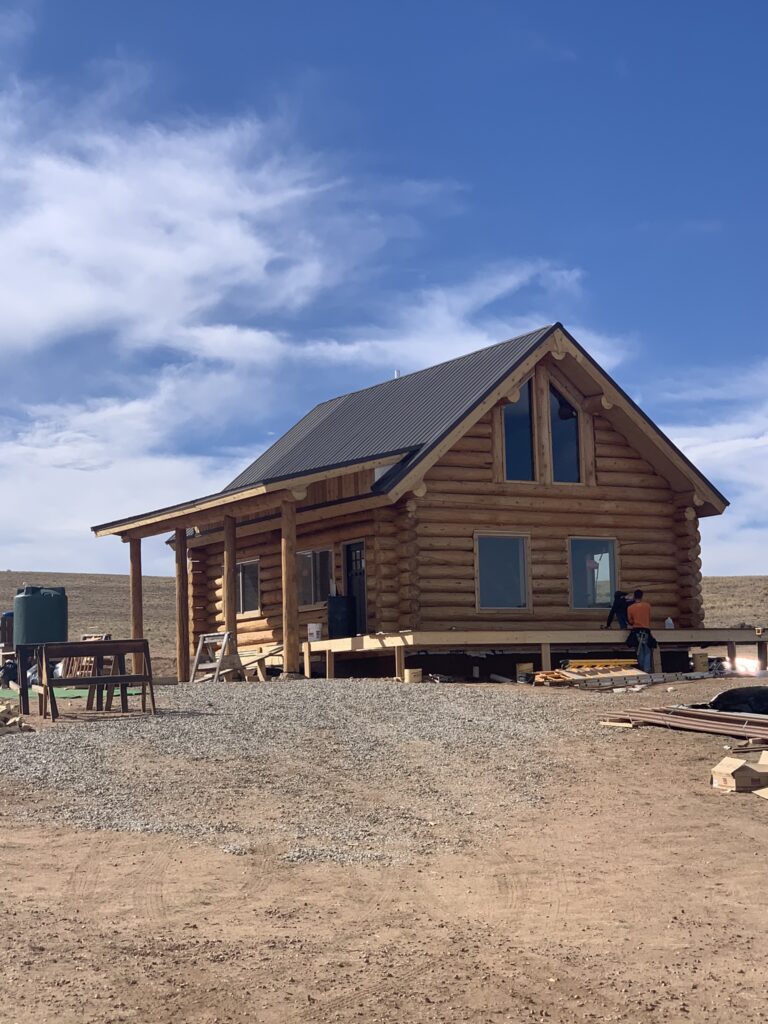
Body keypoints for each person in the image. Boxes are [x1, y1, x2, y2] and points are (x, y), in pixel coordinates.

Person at [627, 589, 654, 671]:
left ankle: (642, 669)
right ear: (642, 596)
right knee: (647, 651)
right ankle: (646, 669)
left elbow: (630, 621)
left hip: (636, 631)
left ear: (634, 597)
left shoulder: (630, 608)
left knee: (639, 651)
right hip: (646, 630)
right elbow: (649, 617)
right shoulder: (647, 606)